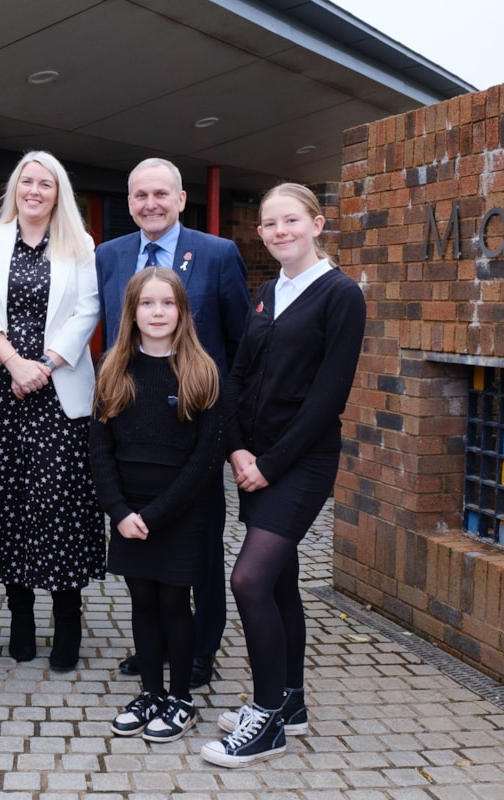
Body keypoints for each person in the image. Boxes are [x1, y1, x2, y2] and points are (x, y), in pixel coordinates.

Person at [201, 183, 366, 768]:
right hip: (255, 460)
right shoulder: (269, 291)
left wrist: (267, 464)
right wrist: (239, 450)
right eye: (269, 224)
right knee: (278, 583)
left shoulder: (341, 296)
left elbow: (328, 399)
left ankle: (266, 717)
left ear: (317, 223)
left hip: (301, 463)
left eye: (290, 220)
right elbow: (240, 375)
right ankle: (291, 701)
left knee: (248, 580)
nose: (278, 232)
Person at [95, 157, 250, 688]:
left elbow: (239, 345)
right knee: (144, 549)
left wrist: (232, 432)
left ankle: (201, 646)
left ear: (182, 199)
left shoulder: (217, 253)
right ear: (130, 201)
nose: (150, 204)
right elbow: (112, 335)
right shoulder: (109, 255)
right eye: (140, 195)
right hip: (138, 424)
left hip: (196, 427)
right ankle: (154, 647)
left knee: (199, 545)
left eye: (161, 193)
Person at [0, 150, 104, 671]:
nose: (35, 191)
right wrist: (14, 364)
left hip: (59, 393)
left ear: (57, 192)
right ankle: (21, 623)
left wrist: (41, 366)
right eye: (27, 182)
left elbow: (89, 309)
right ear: (14, 190)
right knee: (10, 506)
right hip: (1, 391)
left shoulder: (80, 245)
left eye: (46, 183)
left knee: (59, 506)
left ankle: (67, 624)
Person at [90, 267, 223, 743]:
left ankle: (180, 698)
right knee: (142, 601)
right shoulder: (112, 370)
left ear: (182, 311)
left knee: (173, 603)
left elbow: (205, 462)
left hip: (180, 513)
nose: (157, 312)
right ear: (132, 312)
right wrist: (120, 512)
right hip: (129, 513)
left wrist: (156, 515)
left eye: (167, 303)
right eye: (147, 303)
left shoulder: (202, 372)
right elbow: (99, 451)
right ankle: (150, 692)